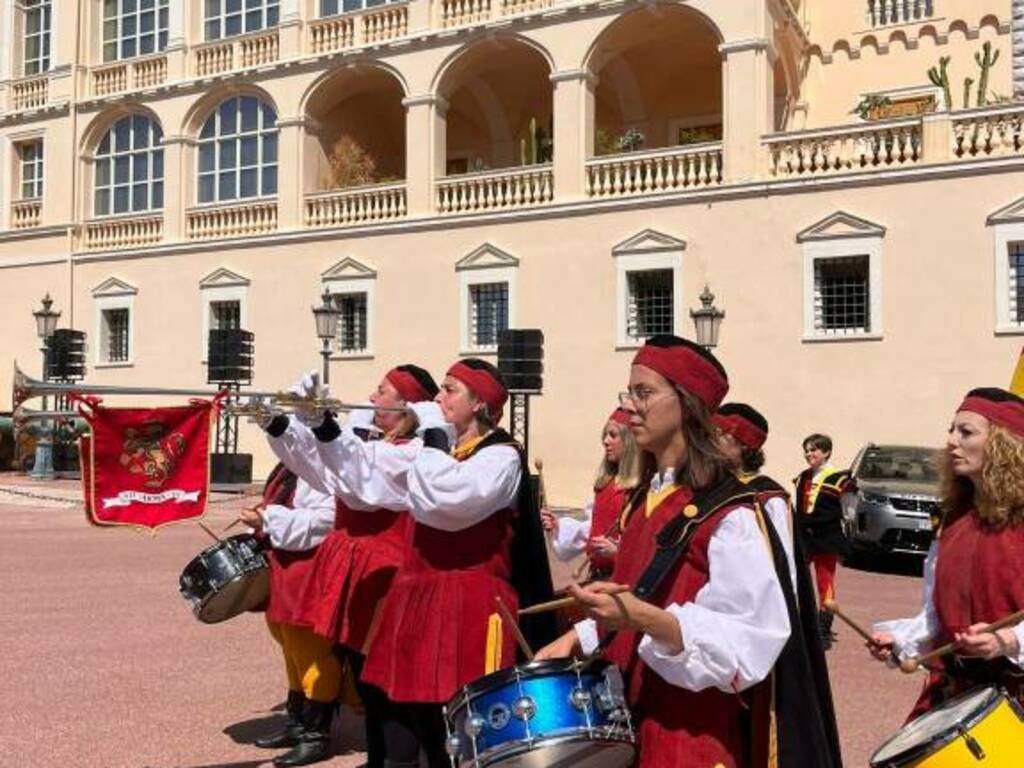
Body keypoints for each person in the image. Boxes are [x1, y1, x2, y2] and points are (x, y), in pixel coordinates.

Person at [536, 335, 841, 768]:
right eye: (629, 393)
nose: (630, 407)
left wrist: (640, 616)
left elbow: (750, 640)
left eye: (644, 393)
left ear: (687, 403)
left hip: (689, 738)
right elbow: (642, 598)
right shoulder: (644, 499)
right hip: (629, 722)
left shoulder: (730, 513)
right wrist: (576, 636)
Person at [265, 358, 554, 768]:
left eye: (451, 390)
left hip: (469, 601)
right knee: (405, 712)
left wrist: (434, 435)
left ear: (479, 404)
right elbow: (360, 477)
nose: (439, 397)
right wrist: (320, 424)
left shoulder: (501, 457)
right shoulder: (430, 448)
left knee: (459, 720)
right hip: (420, 594)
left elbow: (447, 500)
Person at [266, 365, 438, 768]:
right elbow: (320, 468)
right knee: (366, 674)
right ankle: (383, 755)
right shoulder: (379, 444)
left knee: (388, 678)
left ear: (407, 404)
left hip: (388, 572)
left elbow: (356, 476)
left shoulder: (412, 451)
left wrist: (323, 424)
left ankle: (401, 757)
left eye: (383, 391)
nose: (373, 398)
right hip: (361, 568)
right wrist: (278, 425)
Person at [870, 388, 1024, 719]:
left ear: (1004, 445)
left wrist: (1008, 640)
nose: (951, 441)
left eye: (966, 432)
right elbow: (936, 615)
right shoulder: (953, 519)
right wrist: (899, 641)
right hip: (957, 694)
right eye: (951, 429)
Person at [241, 463, 340, 767]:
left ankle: (316, 735)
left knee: (310, 650)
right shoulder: (290, 462)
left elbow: (328, 517)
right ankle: (297, 723)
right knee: (289, 645)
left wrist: (269, 518)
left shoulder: (325, 463)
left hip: (311, 563)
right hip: (285, 561)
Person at [541, 407, 641, 580]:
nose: (605, 441)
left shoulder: (642, 488)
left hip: (624, 583)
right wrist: (559, 525)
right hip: (597, 576)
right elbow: (594, 528)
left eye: (613, 435)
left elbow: (648, 543)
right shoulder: (606, 483)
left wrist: (618, 552)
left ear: (629, 440)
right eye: (605, 435)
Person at [794, 433, 852, 649]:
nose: (809, 454)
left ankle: (823, 630)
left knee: (824, 582)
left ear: (826, 452)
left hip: (826, 538)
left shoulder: (839, 479)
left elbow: (848, 510)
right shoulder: (803, 477)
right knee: (794, 575)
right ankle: (795, 622)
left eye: (814, 450)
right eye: (807, 450)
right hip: (803, 537)